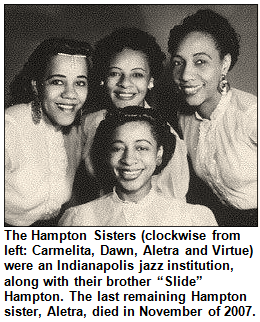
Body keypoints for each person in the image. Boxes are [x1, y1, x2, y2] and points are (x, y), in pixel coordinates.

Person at [168, 9, 257, 226]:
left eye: (200, 62)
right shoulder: (184, 118)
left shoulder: (250, 114)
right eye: (179, 62)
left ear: (224, 64)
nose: (186, 75)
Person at [59, 106, 217, 226]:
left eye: (141, 148)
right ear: (107, 154)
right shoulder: (78, 219)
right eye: (118, 148)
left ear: (159, 154)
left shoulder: (194, 220)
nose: (128, 159)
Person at [81, 27, 189, 200]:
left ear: (150, 81)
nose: (125, 83)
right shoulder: (88, 123)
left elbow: (174, 206)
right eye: (115, 73)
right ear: (103, 78)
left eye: (137, 75)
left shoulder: (167, 137)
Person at [5, 37, 92, 226]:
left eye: (79, 83)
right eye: (57, 82)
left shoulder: (75, 130)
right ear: (36, 85)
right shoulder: (10, 126)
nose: (70, 94)